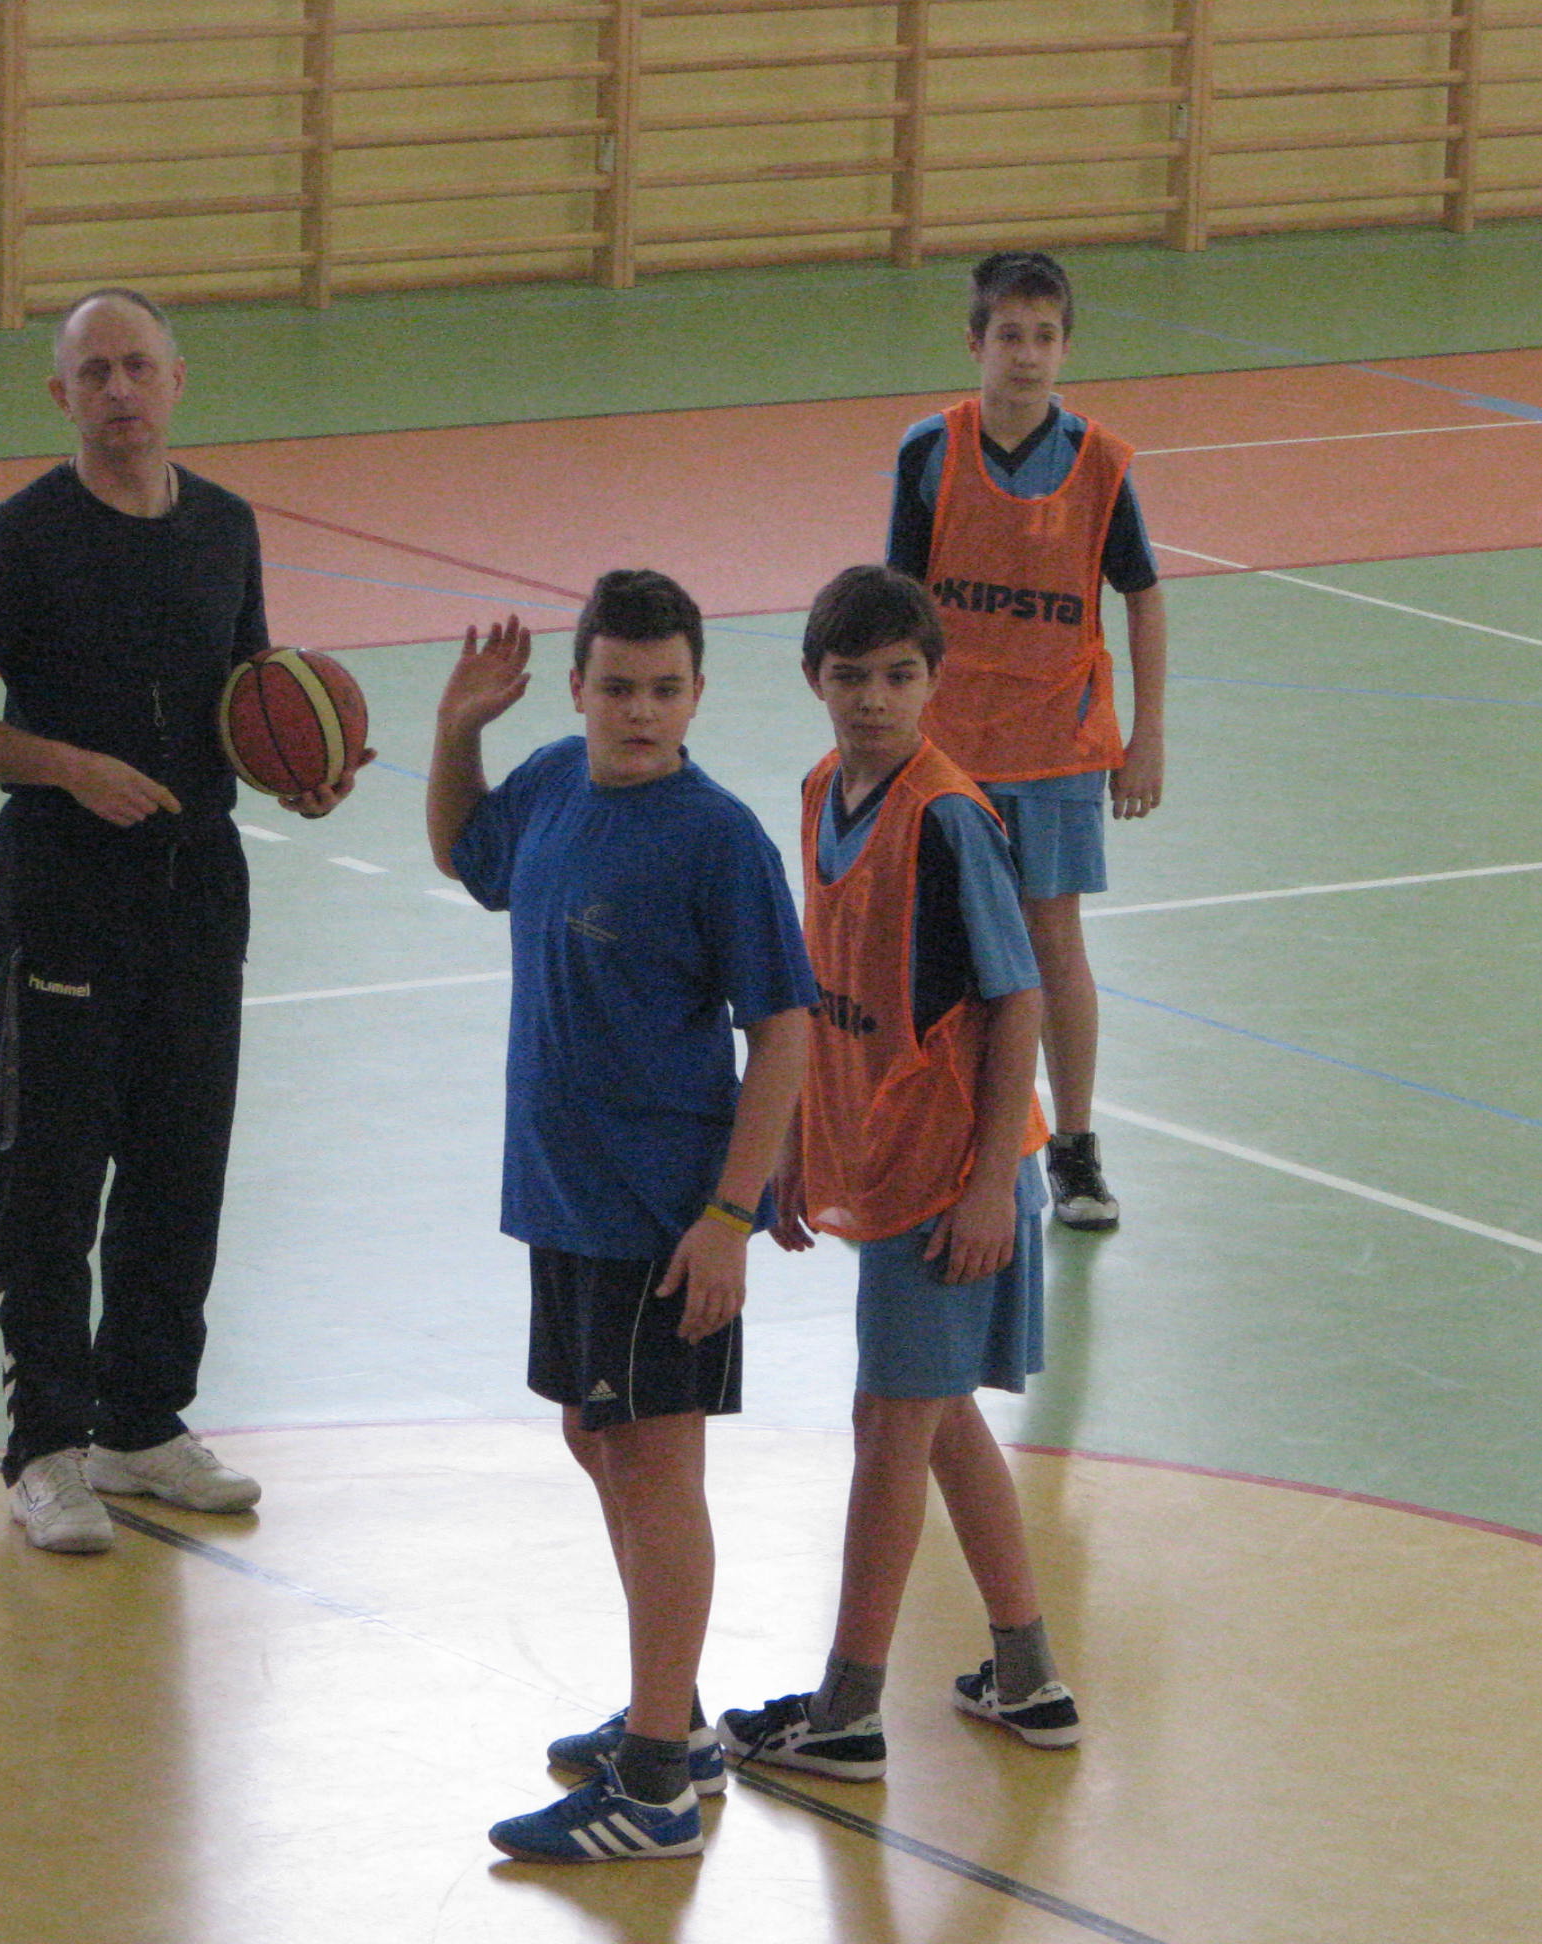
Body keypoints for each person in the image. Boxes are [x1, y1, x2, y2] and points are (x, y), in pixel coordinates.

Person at [0, 287, 368, 1556]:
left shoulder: (225, 526)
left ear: (176, 380)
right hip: (64, 882)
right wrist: (65, 766)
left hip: (200, 881)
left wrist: (302, 773)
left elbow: (249, 694)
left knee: (181, 1160)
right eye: (94, 371)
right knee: (52, 1175)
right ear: (61, 395)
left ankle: (142, 1423)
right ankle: (48, 1448)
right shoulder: (19, 540)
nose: (118, 389)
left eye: (137, 366)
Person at [428, 573, 814, 1865]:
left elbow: (785, 1030)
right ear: (580, 688)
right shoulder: (550, 782)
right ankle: (675, 1718)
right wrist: (457, 733)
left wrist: (731, 1216)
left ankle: (654, 1786)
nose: (640, 711)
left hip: (661, 1212)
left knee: (656, 1467)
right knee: (598, 1437)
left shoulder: (719, 840)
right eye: (617, 688)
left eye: (664, 690)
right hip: (563, 1196)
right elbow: (468, 857)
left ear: (697, 694)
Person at [717, 565, 1081, 1787]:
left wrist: (987, 1187)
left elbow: (1018, 997)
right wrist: (793, 1145)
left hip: (953, 1180)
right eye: (851, 675)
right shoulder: (820, 792)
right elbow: (826, 997)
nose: (873, 697)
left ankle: (847, 1710)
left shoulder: (950, 818)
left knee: (888, 1426)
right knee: (938, 1418)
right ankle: (1028, 1677)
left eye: (898, 675)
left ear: (935, 680)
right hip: (890, 1160)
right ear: (812, 680)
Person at [887, 247, 1168, 1233]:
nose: (1028, 354)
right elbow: (897, 607)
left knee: (1054, 938)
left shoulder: (1099, 463)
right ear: (975, 343)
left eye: (1045, 337)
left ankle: (1076, 1148)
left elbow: (1143, 595)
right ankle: (945, 1128)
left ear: (1066, 349)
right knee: (943, 940)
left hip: (1058, 742)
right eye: (1010, 335)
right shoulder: (931, 452)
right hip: (949, 747)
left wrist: (1147, 736)